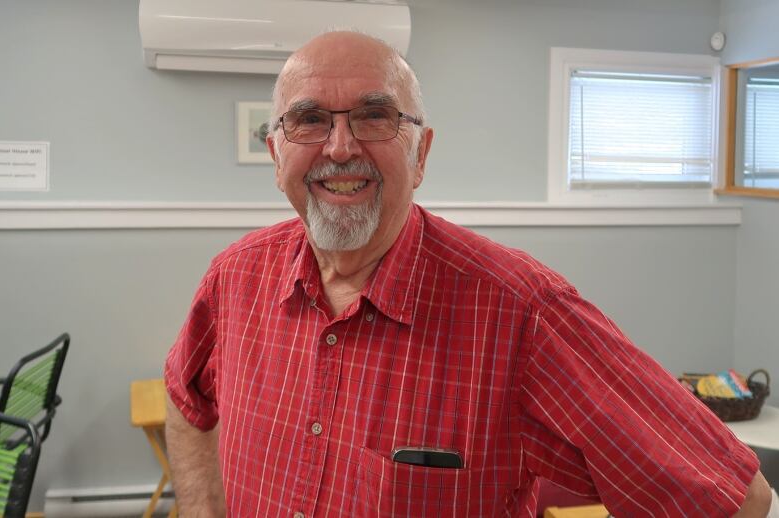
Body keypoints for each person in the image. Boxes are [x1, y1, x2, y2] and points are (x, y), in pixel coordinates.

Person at [164, 31, 772, 517]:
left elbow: (729, 500)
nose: (340, 147)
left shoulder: (523, 313)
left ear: (421, 152)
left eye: (375, 117)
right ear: (277, 155)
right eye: (309, 120)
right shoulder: (234, 279)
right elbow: (186, 399)